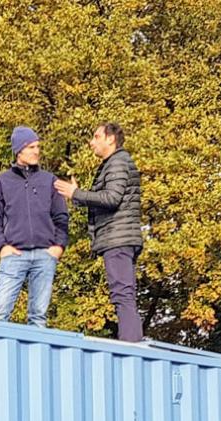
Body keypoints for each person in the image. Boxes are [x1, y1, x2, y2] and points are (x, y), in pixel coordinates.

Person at [56, 122, 143, 341]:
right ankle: (131, 341)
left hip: (117, 238)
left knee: (122, 293)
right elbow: (107, 199)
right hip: (119, 236)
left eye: (96, 137)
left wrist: (77, 193)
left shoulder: (117, 163)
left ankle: (131, 345)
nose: (91, 142)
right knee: (123, 292)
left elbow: (112, 199)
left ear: (111, 139)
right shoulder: (113, 164)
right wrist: (78, 197)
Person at [0, 126, 69, 327]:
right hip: (14, 255)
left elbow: (61, 216)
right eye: (31, 147)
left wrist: (58, 247)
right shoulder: (1, 182)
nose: (36, 151)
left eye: (37, 146)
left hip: (45, 255)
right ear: (18, 150)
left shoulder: (49, 180)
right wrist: (2, 247)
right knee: (0, 313)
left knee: (38, 317)